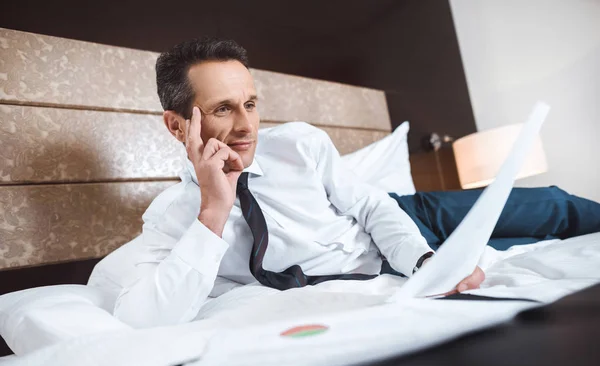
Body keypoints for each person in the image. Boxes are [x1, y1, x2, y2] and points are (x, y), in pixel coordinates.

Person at [90, 37, 599, 328]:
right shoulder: (172, 218)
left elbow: (373, 206)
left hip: (400, 217)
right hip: (375, 270)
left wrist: (423, 262)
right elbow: (142, 322)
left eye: (250, 103)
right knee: (514, 248)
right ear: (177, 124)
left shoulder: (300, 144)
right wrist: (214, 210)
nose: (247, 126)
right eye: (223, 109)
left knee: (552, 208)